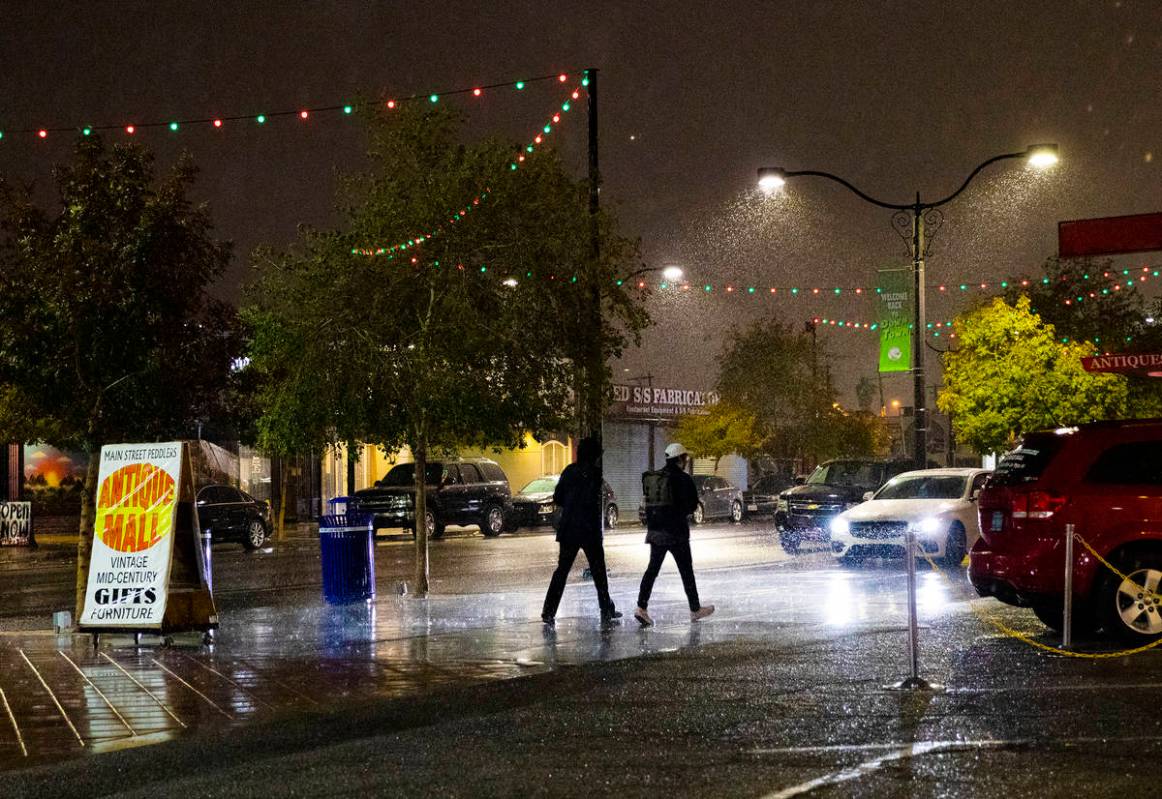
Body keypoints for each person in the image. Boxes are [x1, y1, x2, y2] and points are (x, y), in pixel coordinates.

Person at [541, 436, 622, 626]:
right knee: (598, 571)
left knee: (562, 571)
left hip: (569, 529)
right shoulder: (595, 474)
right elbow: (593, 501)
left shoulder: (569, 471)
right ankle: (605, 608)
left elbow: (558, 497)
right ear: (593, 456)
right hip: (589, 530)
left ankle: (548, 610)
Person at [634, 442, 715, 626]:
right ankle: (695, 609)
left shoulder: (657, 478)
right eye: (685, 457)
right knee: (686, 571)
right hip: (676, 533)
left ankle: (641, 607)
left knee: (652, 570)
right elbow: (693, 505)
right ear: (680, 458)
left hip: (656, 532)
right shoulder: (683, 479)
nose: (686, 461)